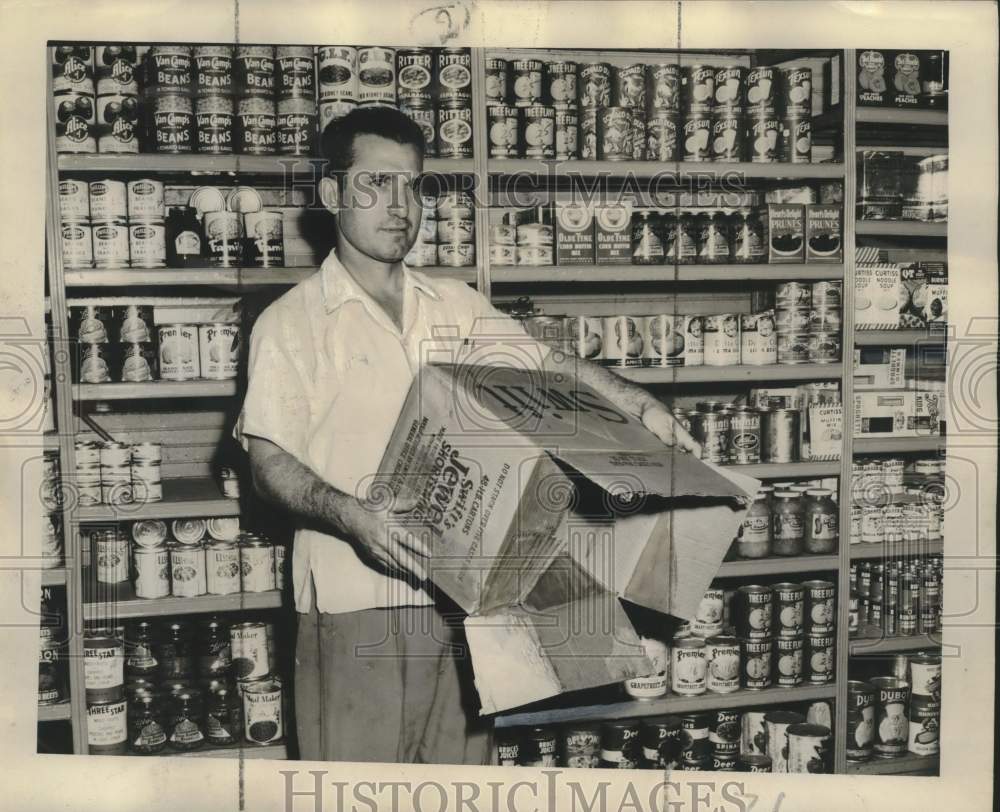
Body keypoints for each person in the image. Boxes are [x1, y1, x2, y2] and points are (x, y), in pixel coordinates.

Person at [236, 106, 699, 764]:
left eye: (411, 185)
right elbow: (268, 462)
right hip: (356, 604)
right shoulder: (292, 323)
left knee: (461, 787)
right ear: (332, 193)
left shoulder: (455, 304)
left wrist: (641, 406)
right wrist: (349, 515)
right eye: (376, 183)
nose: (399, 205)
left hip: (469, 605)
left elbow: (547, 368)